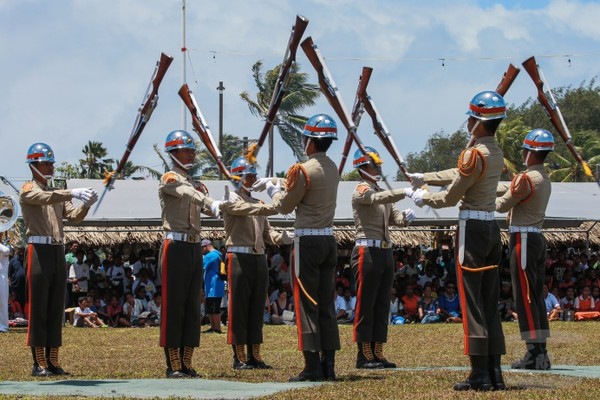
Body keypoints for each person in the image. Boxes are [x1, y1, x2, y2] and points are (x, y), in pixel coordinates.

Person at [406, 91, 507, 391]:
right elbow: (459, 172)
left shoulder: (473, 154)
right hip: (490, 228)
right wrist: (425, 176)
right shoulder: (494, 152)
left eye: (470, 118)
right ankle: (495, 372)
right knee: (489, 302)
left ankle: (479, 374)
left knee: (473, 301)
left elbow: (453, 195)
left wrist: (425, 198)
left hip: (472, 229)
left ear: (477, 121)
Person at [253, 113, 340, 382]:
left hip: (307, 242)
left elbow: (286, 205)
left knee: (306, 304)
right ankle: (329, 365)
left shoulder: (302, 169)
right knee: (326, 304)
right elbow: (308, 187)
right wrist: (278, 181)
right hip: (328, 239)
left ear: (310, 141)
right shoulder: (333, 168)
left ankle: (311, 365)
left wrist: (272, 190)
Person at [19, 142, 98, 376]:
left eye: (51, 162)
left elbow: (72, 217)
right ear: (34, 165)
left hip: (57, 250)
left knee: (55, 307)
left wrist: (85, 204)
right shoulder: (28, 188)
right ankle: (38, 362)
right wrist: (71, 192)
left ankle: (53, 361)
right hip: (38, 250)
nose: (51, 166)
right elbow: (42, 198)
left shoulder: (57, 192)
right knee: (38, 307)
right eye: (46, 162)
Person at [157, 130, 226, 378]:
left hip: (193, 246)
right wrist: (208, 201)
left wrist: (224, 205)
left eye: (193, 150)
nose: (192, 154)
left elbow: (205, 206)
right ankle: (173, 364)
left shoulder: (197, 184)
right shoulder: (170, 178)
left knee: (190, 305)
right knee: (174, 305)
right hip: (175, 246)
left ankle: (187, 362)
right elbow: (188, 194)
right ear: (174, 152)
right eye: (187, 149)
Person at [220, 156, 292, 369]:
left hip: (259, 257)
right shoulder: (231, 199)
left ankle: (255, 355)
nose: (252, 179)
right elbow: (249, 210)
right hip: (239, 257)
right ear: (238, 177)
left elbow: (268, 235)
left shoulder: (258, 203)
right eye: (248, 175)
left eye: (253, 175)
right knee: (239, 306)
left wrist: (283, 238)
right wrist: (277, 205)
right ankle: (239, 356)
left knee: (256, 306)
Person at [349, 146, 415, 369]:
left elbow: (395, 217)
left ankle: (377, 351)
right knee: (366, 303)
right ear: (362, 168)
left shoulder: (381, 191)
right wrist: (402, 191)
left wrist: (405, 217)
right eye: (373, 164)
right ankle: (363, 354)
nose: (377, 168)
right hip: (366, 250)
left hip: (385, 250)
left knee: (381, 303)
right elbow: (373, 198)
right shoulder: (361, 189)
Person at [495, 129, 554, 370]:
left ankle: (534, 353)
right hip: (535, 238)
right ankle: (540, 351)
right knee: (535, 296)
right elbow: (510, 190)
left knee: (525, 297)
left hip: (524, 240)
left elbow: (502, 205)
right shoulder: (542, 177)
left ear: (529, 152)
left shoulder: (525, 178)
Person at [201, 239, 225, 334]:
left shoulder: (211, 255)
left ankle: (217, 328)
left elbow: (201, 266)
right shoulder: (218, 254)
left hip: (213, 286)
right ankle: (213, 327)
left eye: (201, 248)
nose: (201, 251)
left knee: (215, 308)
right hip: (214, 285)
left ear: (205, 246)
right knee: (211, 308)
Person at [0, 238, 10, 332]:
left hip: (3, 276)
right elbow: (6, 250)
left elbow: (7, 251)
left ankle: (3, 324)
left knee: (3, 300)